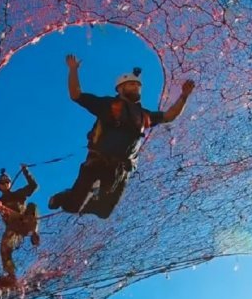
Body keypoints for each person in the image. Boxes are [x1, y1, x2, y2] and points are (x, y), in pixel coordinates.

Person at [48, 54, 195, 218]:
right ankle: (67, 197)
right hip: (98, 162)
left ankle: (89, 198)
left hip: (121, 169)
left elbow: (169, 116)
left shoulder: (144, 115)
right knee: (73, 206)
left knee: (104, 212)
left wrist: (184, 96)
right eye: (131, 85)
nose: (136, 88)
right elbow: (76, 95)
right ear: (120, 88)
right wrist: (73, 69)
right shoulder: (108, 105)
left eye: (137, 86)